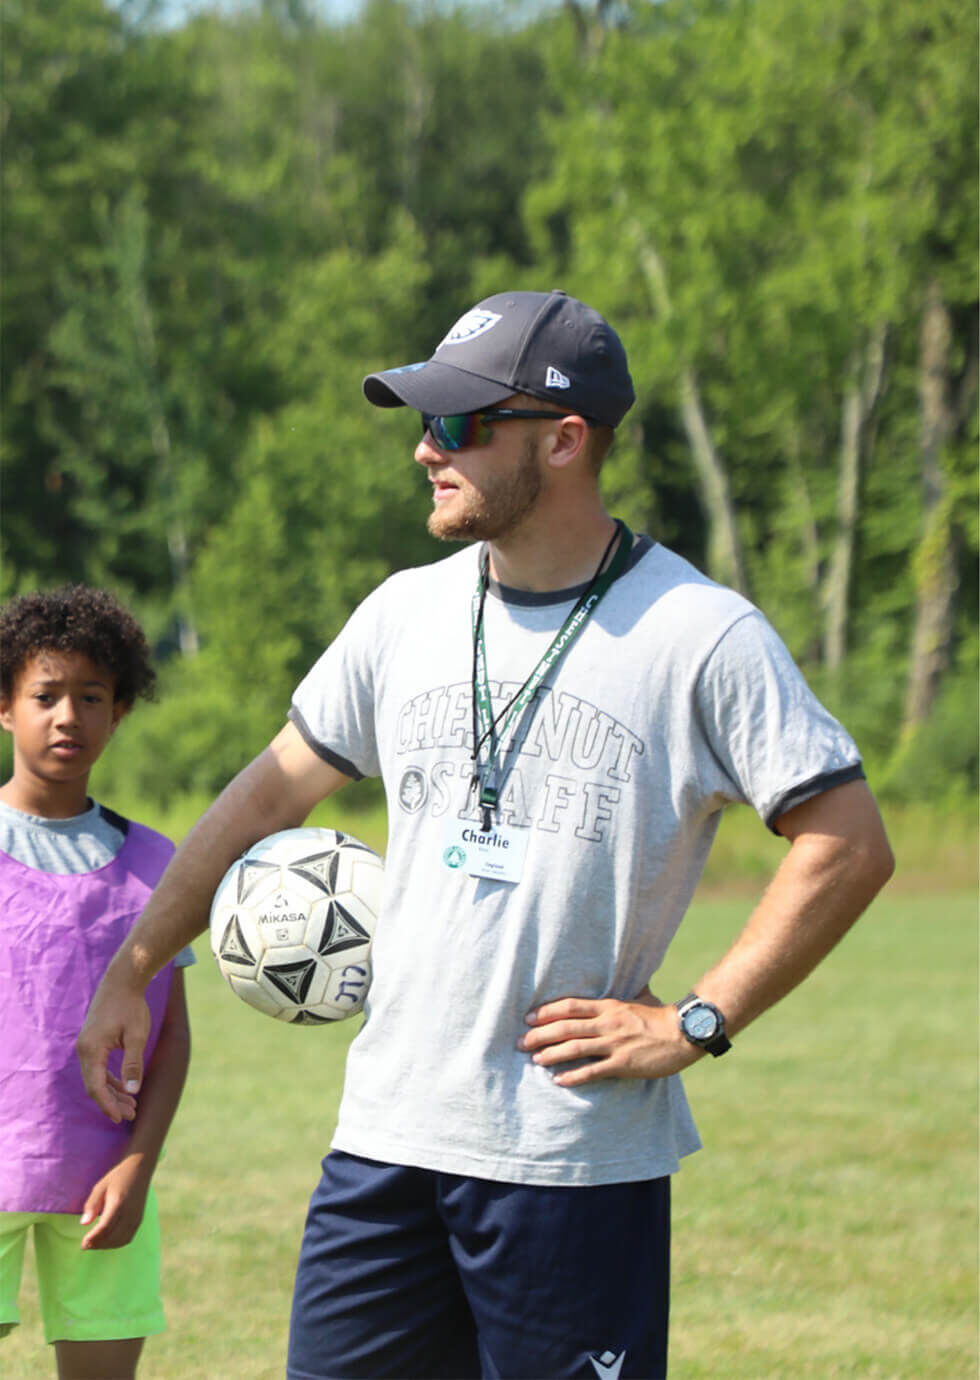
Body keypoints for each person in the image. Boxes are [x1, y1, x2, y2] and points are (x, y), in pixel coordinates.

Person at [77, 289, 894, 1379]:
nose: (424, 449)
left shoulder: (698, 635)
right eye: (423, 422)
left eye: (458, 425)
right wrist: (136, 966)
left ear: (562, 441)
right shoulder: (401, 613)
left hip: (570, 1164)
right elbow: (262, 799)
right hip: (383, 1145)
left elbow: (845, 839)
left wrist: (698, 1018)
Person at [0, 585, 193, 1380]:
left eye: (91, 697)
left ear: (120, 713)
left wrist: (139, 1164)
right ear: (6, 707)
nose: (67, 716)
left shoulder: (159, 866)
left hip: (102, 1175)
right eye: (45, 695)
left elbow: (174, 1035)